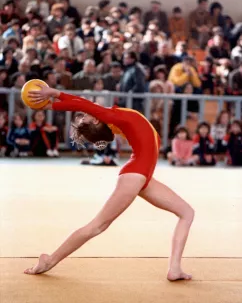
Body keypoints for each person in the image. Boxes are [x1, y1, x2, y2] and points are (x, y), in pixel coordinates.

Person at [24, 84, 194, 280]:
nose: (85, 113)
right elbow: (84, 104)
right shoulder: (112, 117)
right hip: (135, 173)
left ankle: (174, 268)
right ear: (97, 119)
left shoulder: (114, 119)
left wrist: (53, 102)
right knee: (98, 225)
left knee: (187, 213)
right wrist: (53, 99)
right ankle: (50, 260)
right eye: (86, 116)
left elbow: (83, 105)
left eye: (84, 116)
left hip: (143, 177)